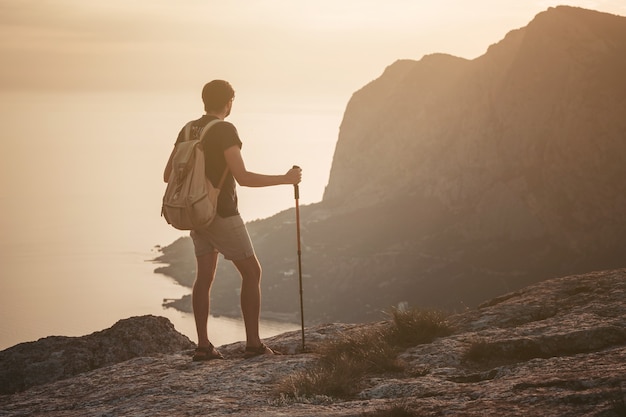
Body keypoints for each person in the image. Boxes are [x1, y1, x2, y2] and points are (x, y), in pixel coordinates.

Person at [163, 80, 302, 361]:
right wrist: (286, 180)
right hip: (221, 212)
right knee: (252, 272)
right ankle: (253, 344)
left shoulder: (188, 129)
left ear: (204, 101)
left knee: (204, 276)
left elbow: (168, 175)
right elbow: (243, 177)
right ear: (229, 102)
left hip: (196, 212)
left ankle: (203, 346)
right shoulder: (225, 130)